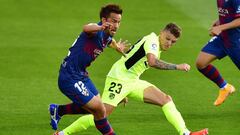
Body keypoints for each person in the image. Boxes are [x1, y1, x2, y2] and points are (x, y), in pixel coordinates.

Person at [54, 23, 208, 135]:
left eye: (173, 42)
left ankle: (185, 133)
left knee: (166, 99)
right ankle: (62, 133)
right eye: (168, 38)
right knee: (101, 114)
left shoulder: (157, 44)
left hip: (132, 81)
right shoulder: (153, 41)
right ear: (162, 33)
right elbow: (153, 62)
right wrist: (177, 66)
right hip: (120, 78)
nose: (169, 43)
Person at [49, 4, 128, 135]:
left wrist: (117, 47)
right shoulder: (96, 31)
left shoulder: (107, 35)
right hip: (69, 76)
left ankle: (58, 111)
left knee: (93, 107)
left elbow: (109, 40)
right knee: (99, 109)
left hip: (81, 75)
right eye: (114, 21)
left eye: (119, 22)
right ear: (104, 20)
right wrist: (99, 27)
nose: (117, 25)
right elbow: (86, 28)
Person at [195, 0, 240, 106]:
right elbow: (228, 13)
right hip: (223, 39)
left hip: (236, 42)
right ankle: (225, 87)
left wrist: (221, 27)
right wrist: (219, 21)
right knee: (201, 63)